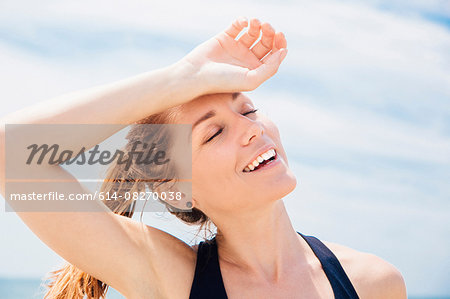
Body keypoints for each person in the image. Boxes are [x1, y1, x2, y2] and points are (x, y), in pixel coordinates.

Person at [0, 17, 407, 299]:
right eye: (213, 133)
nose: (252, 128)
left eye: (248, 110)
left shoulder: (373, 282)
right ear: (176, 188)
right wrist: (183, 76)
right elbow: (12, 151)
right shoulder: (171, 278)